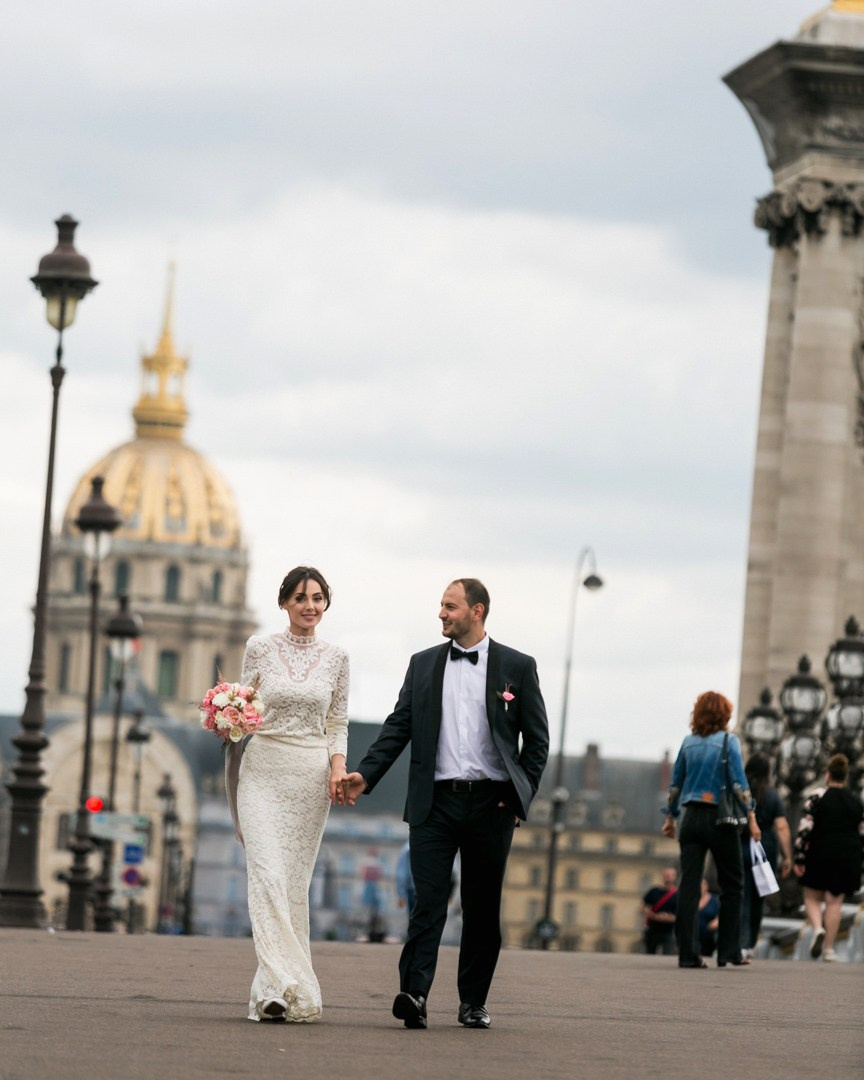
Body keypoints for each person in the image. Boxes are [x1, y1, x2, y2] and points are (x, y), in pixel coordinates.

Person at [341, 577, 549, 1030]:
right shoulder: (423, 665)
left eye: (450, 606)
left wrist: (519, 796)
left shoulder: (518, 665)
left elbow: (537, 742)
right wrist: (366, 773)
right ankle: (414, 994)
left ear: (477, 611)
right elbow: (399, 725)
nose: (441, 613)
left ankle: (473, 1002)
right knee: (427, 902)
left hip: (492, 805)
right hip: (433, 804)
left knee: (480, 907)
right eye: (440, 605)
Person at [224, 566, 349, 1021]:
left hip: (309, 776)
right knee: (267, 876)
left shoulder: (338, 658)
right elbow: (246, 707)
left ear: (325, 603)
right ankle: (285, 980)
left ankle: (275, 992)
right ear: (284, 603)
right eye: (300, 598)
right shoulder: (259, 648)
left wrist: (338, 768)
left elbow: (337, 722)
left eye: (317, 598)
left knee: (293, 886)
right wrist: (228, 720)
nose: (309, 606)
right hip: (262, 770)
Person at [662, 690, 760, 969]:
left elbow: (675, 785)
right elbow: (739, 785)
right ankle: (728, 951)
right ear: (724, 714)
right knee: (733, 884)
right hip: (720, 818)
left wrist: (670, 817)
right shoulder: (729, 742)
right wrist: (751, 816)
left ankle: (687, 954)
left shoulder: (688, 743)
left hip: (691, 818)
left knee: (689, 886)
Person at [793, 753, 864, 963]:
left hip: (820, 852)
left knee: (812, 898)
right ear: (845, 776)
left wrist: (799, 857)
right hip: (846, 857)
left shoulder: (817, 796)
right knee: (835, 903)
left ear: (827, 775)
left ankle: (817, 929)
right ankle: (829, 950)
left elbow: (806, 828)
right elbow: (862, 833)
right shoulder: (855, 801)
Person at [739, 753, 792, 957]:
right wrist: (787, 856)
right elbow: (782, 826)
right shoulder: (772, 796)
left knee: (741, 895)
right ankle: (750, 943)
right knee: (758, 897)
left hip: (740, 844)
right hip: (764, 849)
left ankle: (739, 942)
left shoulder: (742, 793)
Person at [641, 867, 678, 955]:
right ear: (662, 876)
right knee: (650, 953)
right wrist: (654, 916)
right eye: (666, 875)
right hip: (653, 928)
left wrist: (669, 918)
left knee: (667, 953)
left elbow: (681, 914)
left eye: (670, 875)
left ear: (675, 877)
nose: (668, 877)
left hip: (669, 930)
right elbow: (643, 908)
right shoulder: (654, 891)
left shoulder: (678, 894)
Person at [697, 878, 720, 958]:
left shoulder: (715, 900)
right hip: (694, 936)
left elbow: (721, 914)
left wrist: (716, 922)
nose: (700, 887)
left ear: (706, 886)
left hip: (709, 936)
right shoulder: (692, 900)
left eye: (702, 885)